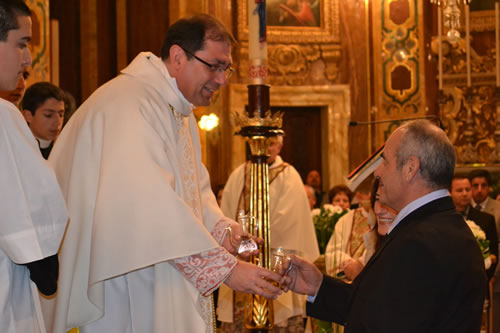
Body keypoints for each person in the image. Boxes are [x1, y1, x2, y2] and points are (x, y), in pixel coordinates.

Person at [47, 14, 282, 333]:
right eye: (214, 65)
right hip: (126, 275)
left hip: (163, 266)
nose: (222, 79)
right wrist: (225, 270)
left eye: (226, 68)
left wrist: (223, 230)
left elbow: (192, 193)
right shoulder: (130, 104)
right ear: (177, 57)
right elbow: (149, 204)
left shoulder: (177, 111)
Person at [281, 120, 487, 332]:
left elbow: (379, 324)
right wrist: (318, 286)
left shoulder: (418, 244)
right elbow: (373, 305)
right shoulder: (442, 227)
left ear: (410, 168)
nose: (377, 171)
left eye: (385, 161)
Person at [0, 1, 67, 332]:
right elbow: (34, 215)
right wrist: (46, 270)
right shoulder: (3, 116)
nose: (27, 60)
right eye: (22, 43)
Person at [219, 135, 320, 332]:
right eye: (261, 144)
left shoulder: (289, 175)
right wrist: (237, 241)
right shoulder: (239, 173)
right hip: (240, 262)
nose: (266, 149)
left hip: (275, 262)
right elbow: (226, 215)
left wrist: (254, 241)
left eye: (271, 144)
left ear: (280, 146)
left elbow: (289, 222)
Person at [325, 178, 397, 281]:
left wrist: (360, 265)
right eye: (365, 193)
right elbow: (332, 251)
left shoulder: (386, 218)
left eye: (373, 195)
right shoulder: (345, 219)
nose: (369, 196)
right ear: (358, 195)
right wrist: (349, 264)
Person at [450, 175, 498, 280]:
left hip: (478, 279)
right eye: (459, 190)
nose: (465, 194)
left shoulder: (486, 219)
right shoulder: (443, 219)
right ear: (450, 193)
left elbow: (494, 254)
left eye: (467, 189)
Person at [21, 82, 65, 159]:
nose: (58, 122)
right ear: (28, 116)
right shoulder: (16, 149)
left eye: (61, 115)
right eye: (48, 115)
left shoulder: (66, 149)